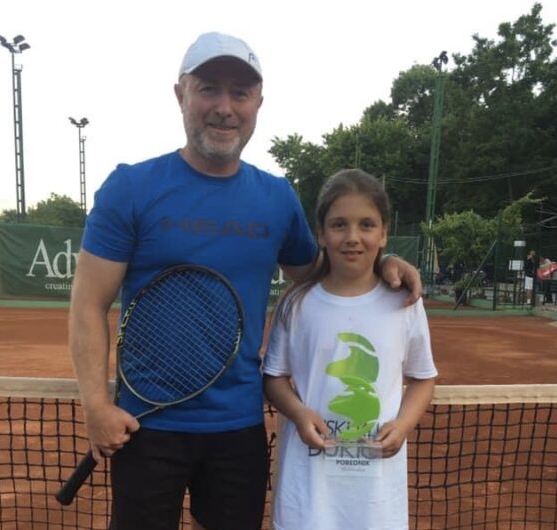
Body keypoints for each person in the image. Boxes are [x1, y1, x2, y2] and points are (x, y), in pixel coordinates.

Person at [68, 32, 423, 530]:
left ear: (258, 103)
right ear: (181, 95)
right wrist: (96, 406)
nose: (225, 108)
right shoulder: (130, 187)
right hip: (146, 426)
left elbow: (322, 275)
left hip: (239, 430)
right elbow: (88, 304)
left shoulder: (276, 198)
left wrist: (384, 264)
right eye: (208, 89)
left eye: (240, 93)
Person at [263, 169, 437, 530]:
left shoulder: (405, 303)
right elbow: (274, 377)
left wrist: (403, 424)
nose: (353, 237)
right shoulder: (296, 303)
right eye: (339, 225)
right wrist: (298, 412)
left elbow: (423, 378)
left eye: (367, 225)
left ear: (384, 233)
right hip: (307, 497)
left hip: (377, 502)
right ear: (321, 233)